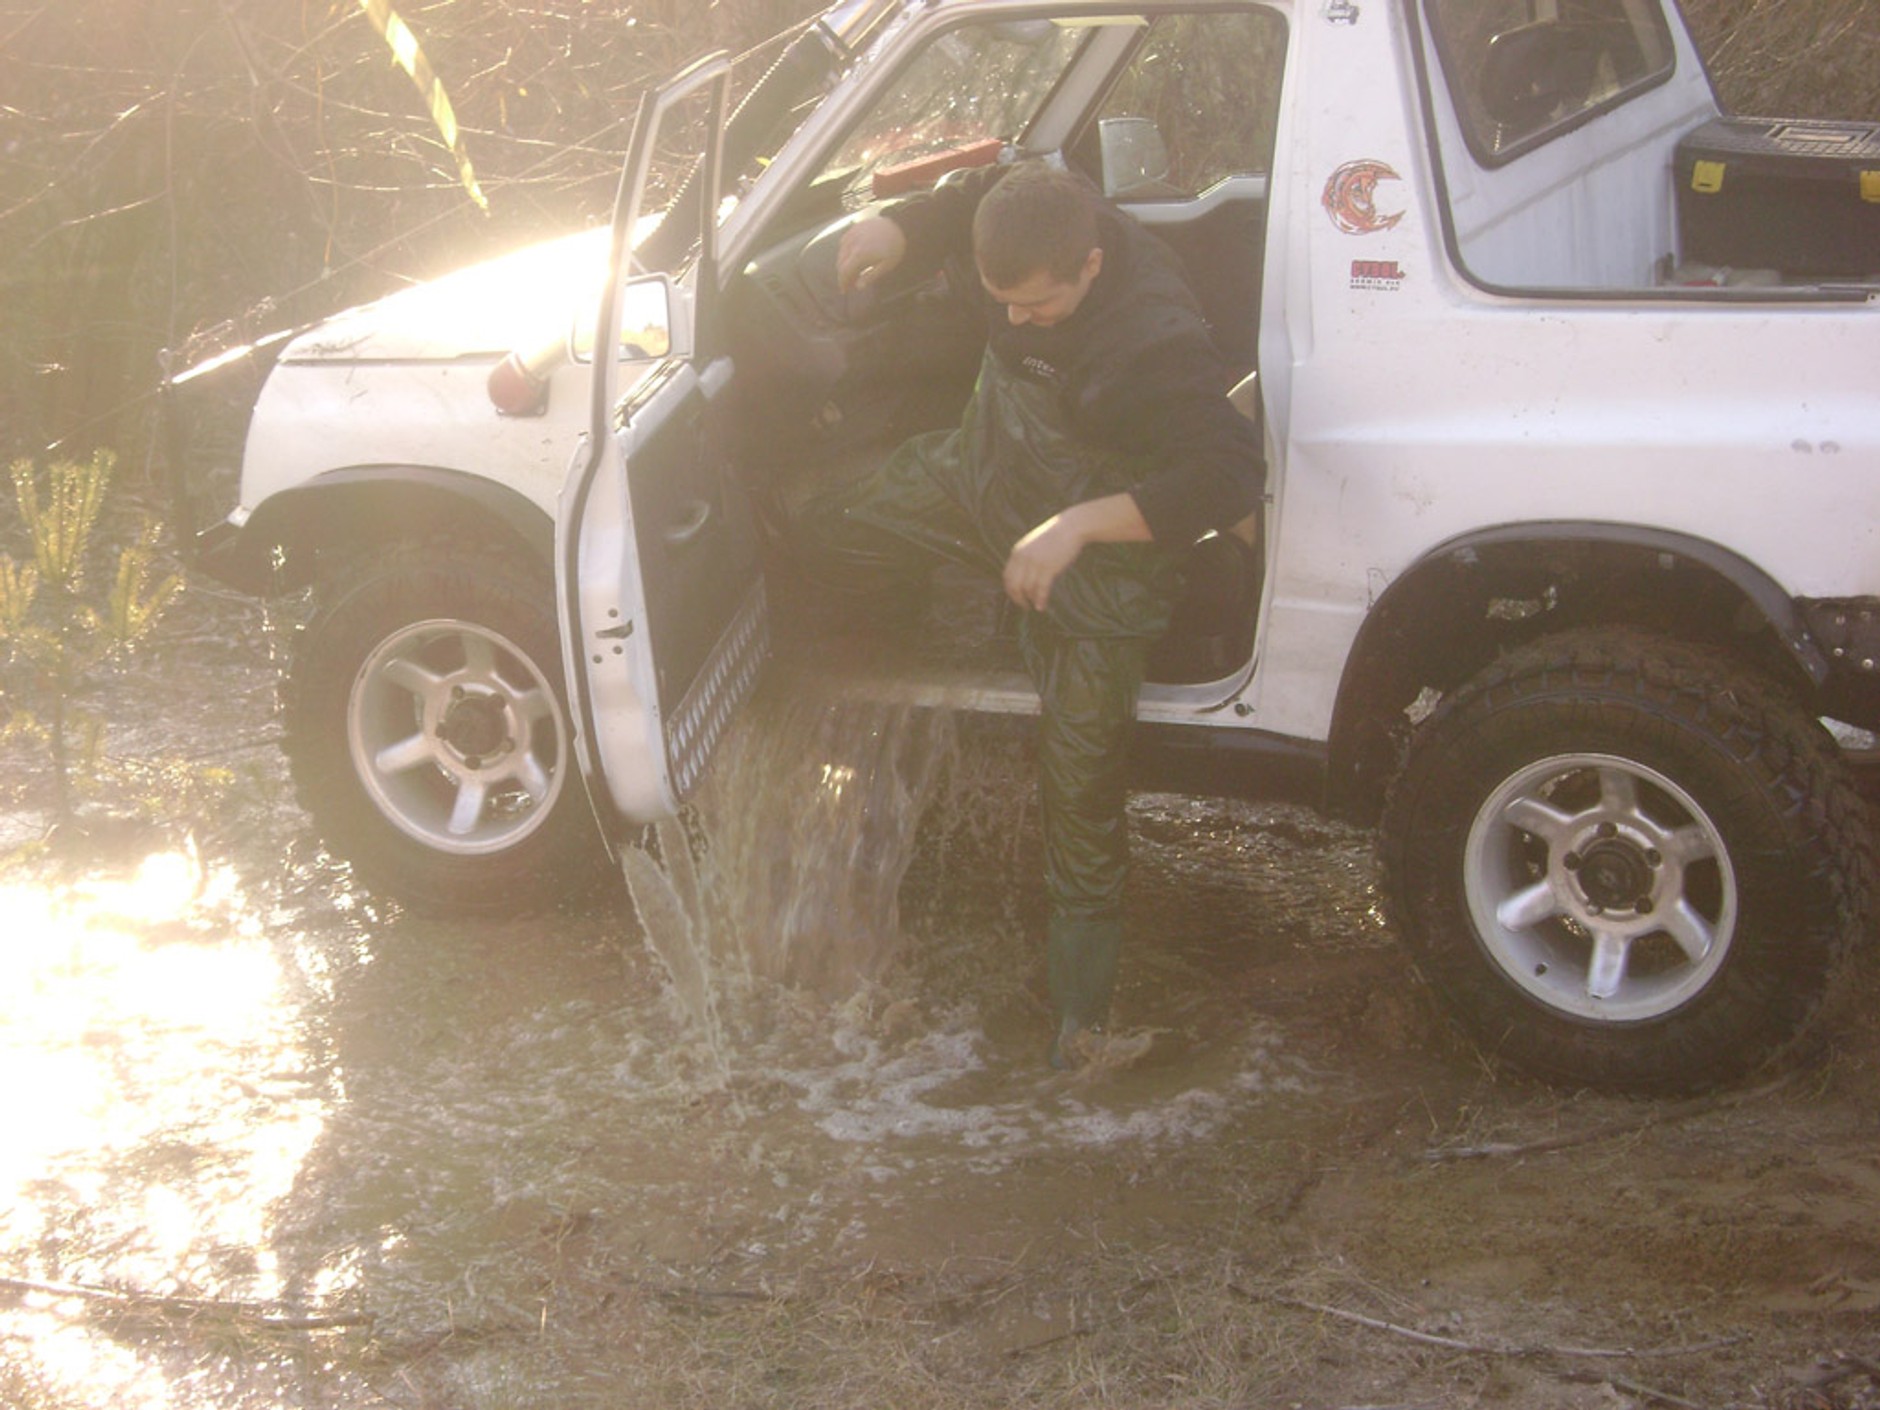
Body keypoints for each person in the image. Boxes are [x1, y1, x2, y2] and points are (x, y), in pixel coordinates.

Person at [794, 160, 1264, 1067]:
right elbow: (980, 188)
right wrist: (902, 227)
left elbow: (1227, 474)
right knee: (817, 519)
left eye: (1036, 307)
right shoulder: (1040, 212)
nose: (1013, 321)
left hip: (1100, 567)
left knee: (1078, 789)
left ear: (1090, 267)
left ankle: (1080, 1022)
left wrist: (1078, 528)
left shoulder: (1155, 342)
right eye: (998, 301)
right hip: (986, 475)